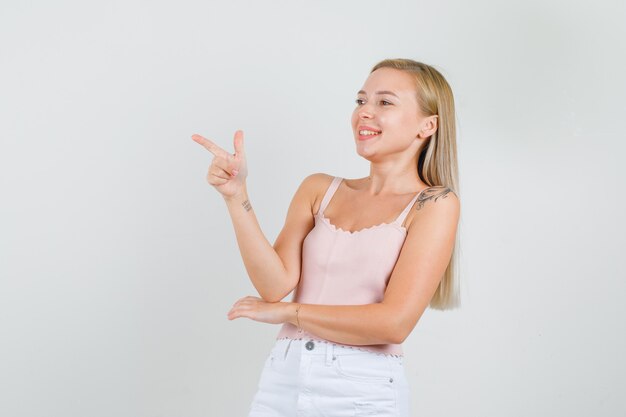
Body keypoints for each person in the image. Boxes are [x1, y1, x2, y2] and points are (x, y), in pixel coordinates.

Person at [191, 58, 461, 417]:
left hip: (362, 386)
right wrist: (235, 194)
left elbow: (394, 323)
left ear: (428, 125)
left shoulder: (434, 204)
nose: (365, 112)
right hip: (282, 378)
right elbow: (274, 285)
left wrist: (290, 312)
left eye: (385, 102)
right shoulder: (319, 188)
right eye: (361, 100)